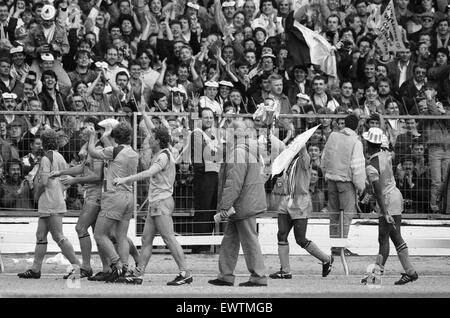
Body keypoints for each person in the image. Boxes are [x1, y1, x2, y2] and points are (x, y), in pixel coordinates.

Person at [114, 103, 193, 286]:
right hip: (158, 201)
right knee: (146, 239)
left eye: (152, 138)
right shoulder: (166, 150)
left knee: (168, 238)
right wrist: (143, 111)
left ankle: (185, 272)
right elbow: (153, 129)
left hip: (160, 202)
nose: (149, 139)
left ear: (158, 140)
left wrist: (124, 180)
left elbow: (148, 174)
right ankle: (138, 273)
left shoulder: (162, 156)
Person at [208, 120, 267, 287]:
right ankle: (225, 275)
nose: (224, 141)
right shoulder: (246, 150)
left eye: (226, 136)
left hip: (241, 204)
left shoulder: (238, 153)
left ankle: (258, 276)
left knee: (248, 240)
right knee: (231, 239)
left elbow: (233, 183)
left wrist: (224, 206)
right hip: (243, 203)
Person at [18, 129, 82, 279]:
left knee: (58, 236)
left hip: (49, 201)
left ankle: (77, 267)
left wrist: (36, 193)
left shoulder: (46, 158)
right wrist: (58, 190)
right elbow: (66, 181)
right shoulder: (59, 157)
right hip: (55, 200)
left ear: (44, 143)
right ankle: (35, 269)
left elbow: (44, 182)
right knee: (41, 235)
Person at [361, 127, 419, 285]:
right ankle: (410, 271)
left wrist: (384, 212)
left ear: (368, 143)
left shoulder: (371, 166)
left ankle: (376, 275)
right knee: (394, 236)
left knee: (384, 238)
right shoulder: (385, 153)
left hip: (387, 201)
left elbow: (379, 192)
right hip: (395, 195)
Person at [269, 144, 333, 280]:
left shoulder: (305, 159)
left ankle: (326, 259)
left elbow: (302, 150)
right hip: (286, 199)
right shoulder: (290, 160)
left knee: (300, 239)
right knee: (281, 234)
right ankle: (285, 271)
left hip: (300, 202)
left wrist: (301, 144)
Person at [87, 121, 139, 283]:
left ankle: (117, 265)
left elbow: (92, 152)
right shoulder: (133, 153)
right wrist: (110, 135)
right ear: (130, 137)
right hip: (129, 196)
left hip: (114, 195)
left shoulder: (114, 151)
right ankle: (125, 267)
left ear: (116, 138)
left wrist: (91, 137)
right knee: (121, 235)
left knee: (100, 234)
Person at [322, 114, 366, 257]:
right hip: (346, 182)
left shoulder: (333, 136)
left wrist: (326, 172)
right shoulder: (356, 142)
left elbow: (325, 157)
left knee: (334, 215)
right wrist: (360, 186)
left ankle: (334, 247)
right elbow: (357, 167)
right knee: (346, 216)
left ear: (344, 124)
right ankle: (340, 248)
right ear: (357, 126)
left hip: (331, 180)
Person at [190, 107, 220, 253]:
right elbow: (198, 158)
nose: (208, 120)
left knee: (211, 210)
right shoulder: (197, 133)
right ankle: (199, 245)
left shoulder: (213, 135)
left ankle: (206, 244)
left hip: (214, 175)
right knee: (203, 210)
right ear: (200, 119)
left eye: (210, 117)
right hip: (204, 177)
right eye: (205, 117)